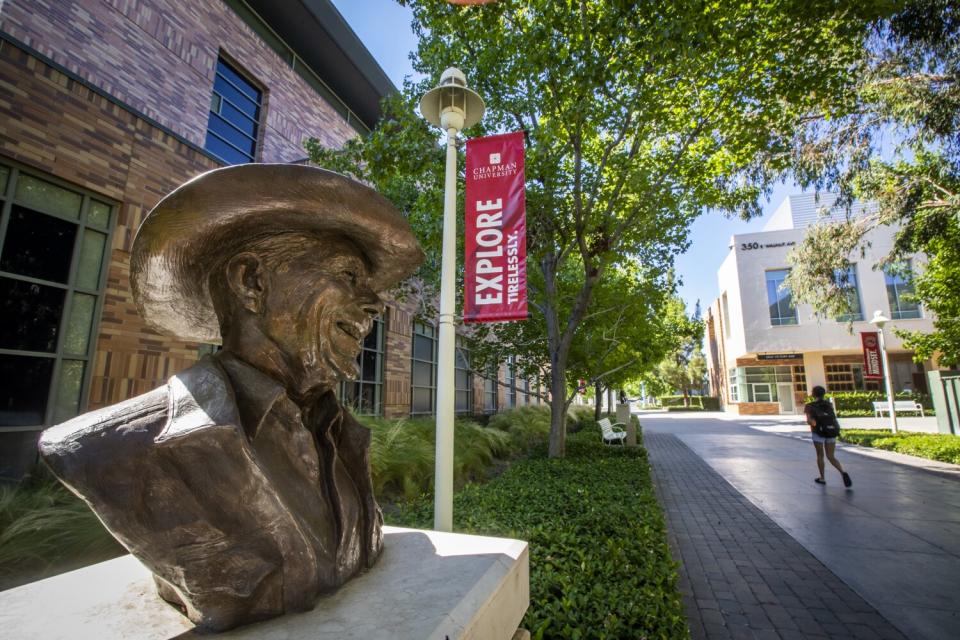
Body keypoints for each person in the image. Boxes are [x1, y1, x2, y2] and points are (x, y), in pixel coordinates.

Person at [38, 164, 424, 631]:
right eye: (347, 275)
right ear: (251, 282)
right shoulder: (104, 451)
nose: (374, 306)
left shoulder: (339, 433)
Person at [804, 385, 852, 488]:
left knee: (820, 455)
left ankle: (822, 478)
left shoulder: (809, 406)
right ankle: (842, 472)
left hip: (818, 433)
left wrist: (817, 426)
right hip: (831, 431)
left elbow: (810, 421)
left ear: (813, 394)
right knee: (831, 456)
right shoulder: (829, 404)